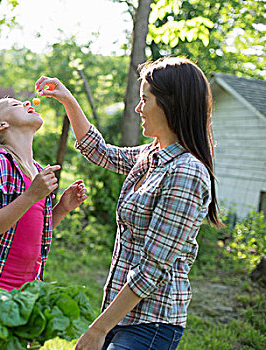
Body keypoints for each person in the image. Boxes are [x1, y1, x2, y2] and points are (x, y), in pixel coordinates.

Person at [35, 56, 223, 350]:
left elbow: (152, 269)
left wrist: (97, 331)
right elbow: (100, 152)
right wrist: (68, 100)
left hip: (151, 323)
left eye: (144, 99)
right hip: (121, 315)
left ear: (170, 104)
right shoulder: (152, 156)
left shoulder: (186, 172)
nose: (138, 108)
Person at [0, 97, 88, 291]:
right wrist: (30, 195)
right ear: (0, 125)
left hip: (28, 290)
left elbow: (33, 230)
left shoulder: (36, 170)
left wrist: (62, 208)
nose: (28, 104)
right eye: (17, 105)